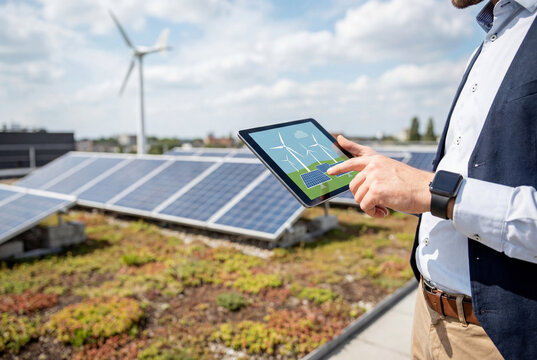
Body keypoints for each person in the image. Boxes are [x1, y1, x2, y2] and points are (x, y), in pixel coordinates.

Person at [327, 0, 537, 358]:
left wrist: (433, 191)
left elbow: (443, 191)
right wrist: (398, 182)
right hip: (427, 317)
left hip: (495, 340)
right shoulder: (493, 40)